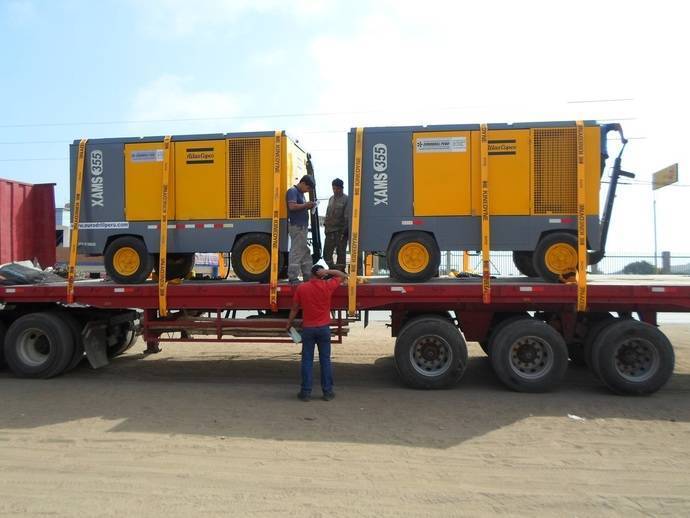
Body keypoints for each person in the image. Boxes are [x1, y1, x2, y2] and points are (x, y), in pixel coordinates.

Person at [285, 264, 348, 402]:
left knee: (307, 360)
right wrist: (328, 271)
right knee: (325, 360)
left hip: (308, 329)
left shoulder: (302, 288)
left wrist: (289, 323)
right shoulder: (327, 286)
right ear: (322, 275)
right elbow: (343, 276)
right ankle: (327, 392)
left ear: (311, 274)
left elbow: (295, 308)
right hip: (324, 329)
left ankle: (306, 392)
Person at [286, 175, 316, 284]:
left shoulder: (301, 194)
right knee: (297, 251)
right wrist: (306, 205)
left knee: (305, 251)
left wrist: (308, 205)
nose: (308, 191)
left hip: (302, 226)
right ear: (303, 183)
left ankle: (308, 276)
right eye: (307, 188)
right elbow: (292, 207)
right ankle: (293, 277)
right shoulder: (292, 191)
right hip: (297, 226)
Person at [323, 178, 349, 271]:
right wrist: (325, 228)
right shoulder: (331, 199)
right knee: (326, 254)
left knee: (341, 254)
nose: (335, 191)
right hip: (329, 232)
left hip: (340, 232)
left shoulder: (346, 199)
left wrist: (344, 233)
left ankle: (340, 273)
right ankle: (333, 269)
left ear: (342, 188)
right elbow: (327, 214)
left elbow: (347, 218)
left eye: (337, 189)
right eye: (333, 188)